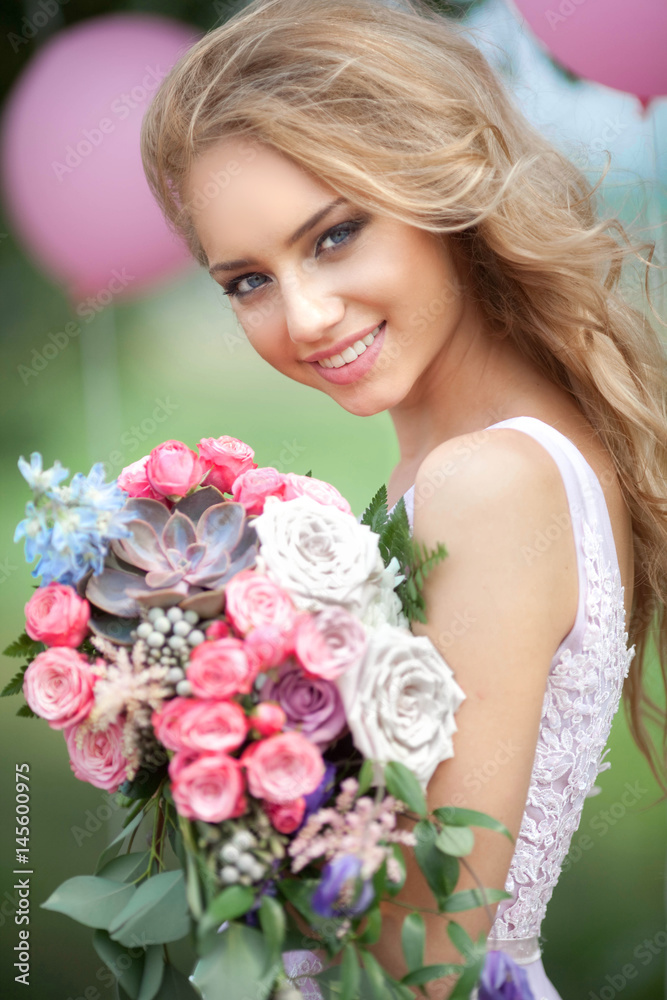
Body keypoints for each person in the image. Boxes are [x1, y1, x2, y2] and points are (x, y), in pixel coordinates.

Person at [140, 0, 667, 996]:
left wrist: (220, 750)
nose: (303, 316)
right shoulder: (471, 460)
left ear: (440, 188)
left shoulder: (488, 485)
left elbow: (418, 963)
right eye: (247, 281)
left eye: (335, 235)